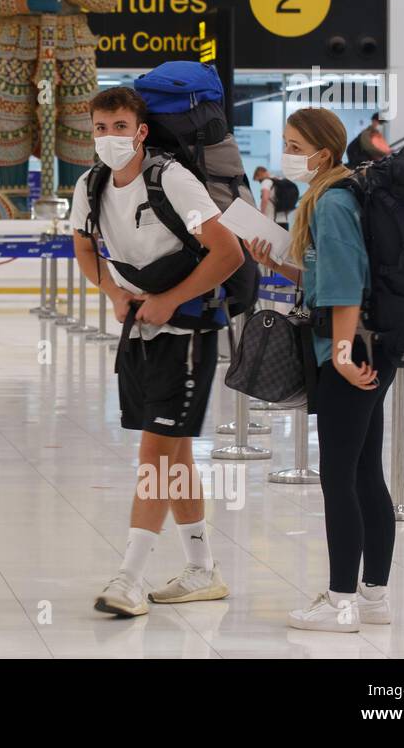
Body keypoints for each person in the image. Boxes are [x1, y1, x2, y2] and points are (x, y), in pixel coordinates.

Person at [70, 87, 245, 618]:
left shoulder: (170, 178)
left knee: (155, 454)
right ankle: (201, 570)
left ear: (141, 131)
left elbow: (229, 252)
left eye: (119, 127)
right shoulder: (90, 182)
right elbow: (82, 244)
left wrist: (170, 300)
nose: (109, 138)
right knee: (177, 454)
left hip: (188, 331)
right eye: (100, 128)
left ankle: (129, 577)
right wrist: (114, 292)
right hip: (142, 329)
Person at [248, 107, 395, 633]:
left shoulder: (331, 201)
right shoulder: (345, 193)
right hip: (370, 346)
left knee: (339, 477)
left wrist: (340, 355)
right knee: (364, 473)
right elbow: (323, 273)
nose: (286, 155)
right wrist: (280, 264)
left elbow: (345, 284)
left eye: (293, 145)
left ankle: (340, 603)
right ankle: (373, 596)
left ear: (322, 153)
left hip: (348, 351)